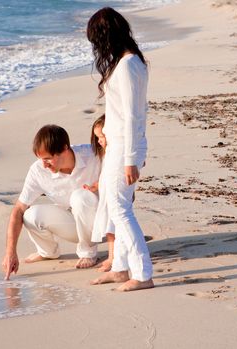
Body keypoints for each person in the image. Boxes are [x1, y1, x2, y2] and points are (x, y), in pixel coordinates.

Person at [87, 7, 154, 292]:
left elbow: (132, 115)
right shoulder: (132, 61)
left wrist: (130, 159)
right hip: (120, 144)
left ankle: (142, 273)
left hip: (124, 147)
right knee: (116, 208)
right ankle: (120, 268)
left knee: (120, 209)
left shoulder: (127, 65)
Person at [2, 124, 101, 281]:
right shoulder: (38, 171)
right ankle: (47, 252)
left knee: (80, 196)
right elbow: (18, 209)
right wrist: (10, 252)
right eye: (41, 159)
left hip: (102, 223)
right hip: (75, 225)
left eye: (47, 158)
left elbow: (124, 162)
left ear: (64, 148)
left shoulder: (94, 155)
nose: (44, 165)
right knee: (29, 214)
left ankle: (89, 253)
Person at [86, 115, 116, 272]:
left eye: (102, 137)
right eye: (97, 137)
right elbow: (105, 175)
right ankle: (114, 256)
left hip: (113, 196)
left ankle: (113, 258)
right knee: (110, 229)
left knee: (112, 228)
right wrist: (96, 186)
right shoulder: (106, 154)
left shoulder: (114, 153)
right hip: (106, 195)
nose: (99, 141)